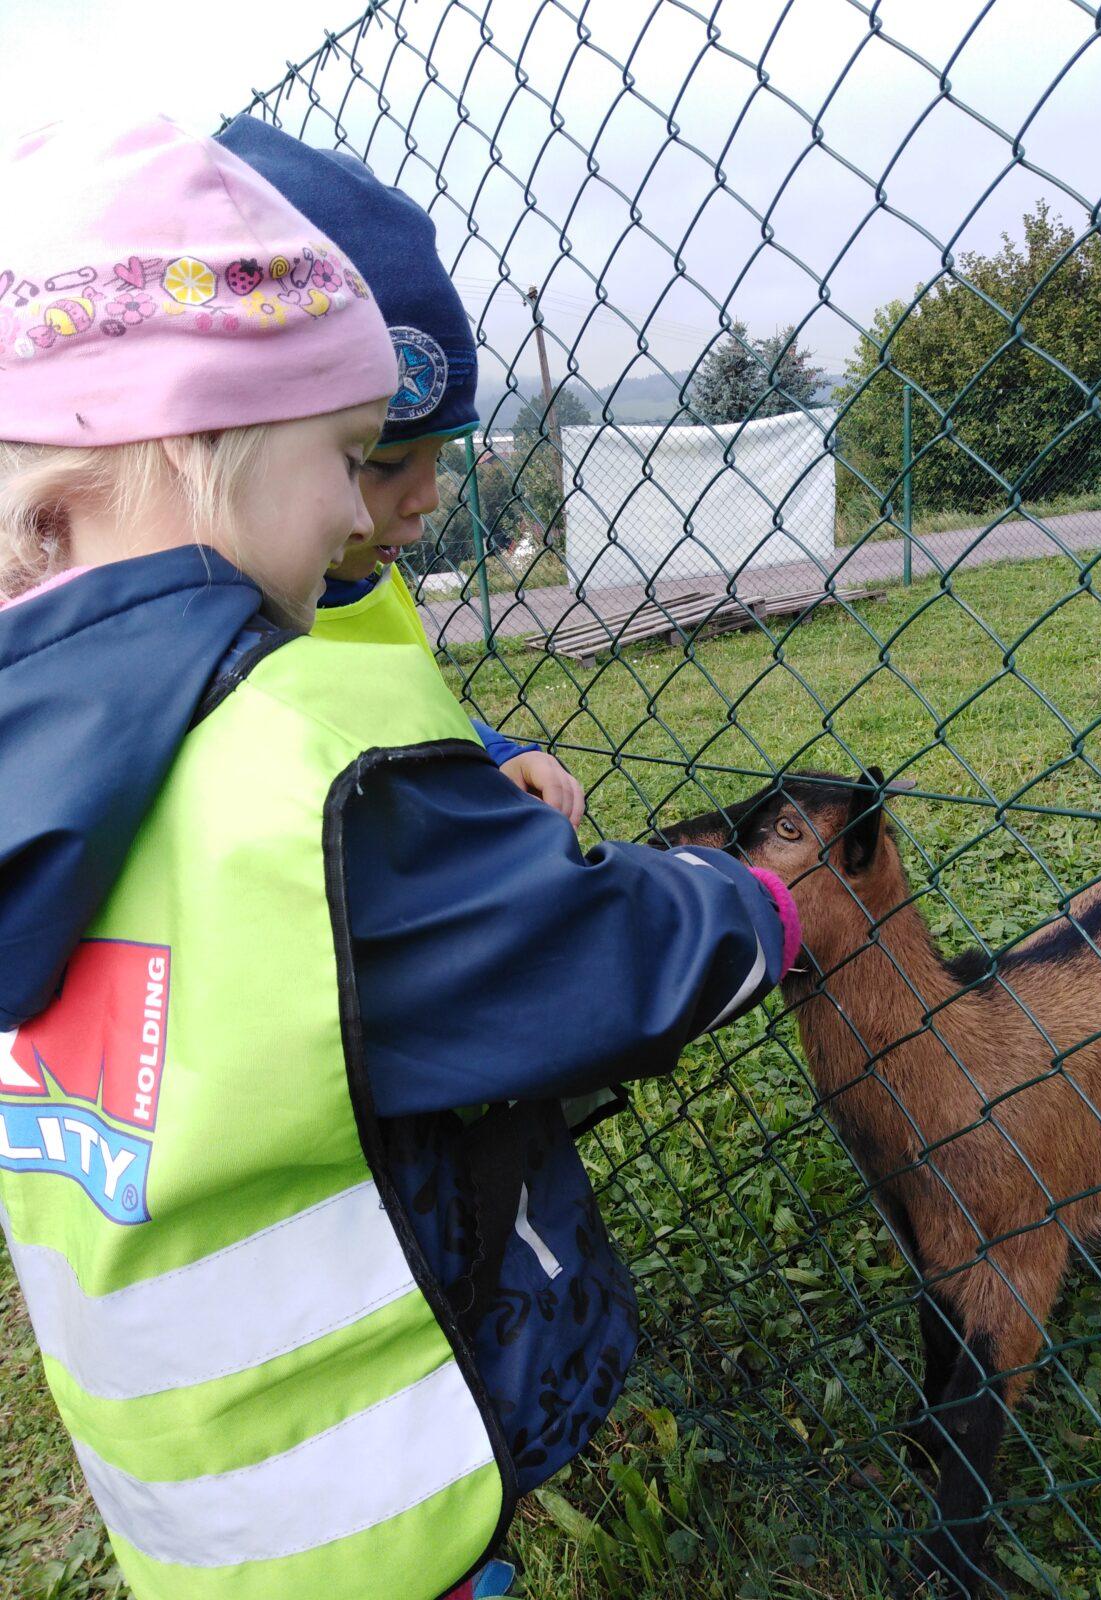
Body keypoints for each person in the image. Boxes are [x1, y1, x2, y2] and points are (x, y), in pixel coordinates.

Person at [0, 117, 802, 1600]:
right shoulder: (297, 771)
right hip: (370, 1509)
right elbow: (592, 958)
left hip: (183, 1508)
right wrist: (754, 908)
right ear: (196, 444)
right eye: (348, 454)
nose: (360, 507)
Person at [216, 116, 584, 829]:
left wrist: (489, 752)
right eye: (377, 462)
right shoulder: (213, 642)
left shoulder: (358, 571)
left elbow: (401, 709)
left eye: (438, 456)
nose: (424, 504)